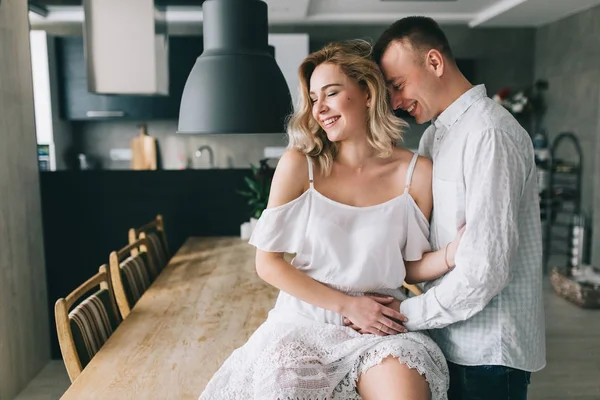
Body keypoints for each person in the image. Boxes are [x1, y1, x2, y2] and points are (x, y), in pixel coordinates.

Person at [198, 39, 464, 400]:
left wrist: (451, 254)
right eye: (312, 98)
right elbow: (268, 263)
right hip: (305, 323)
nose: (319, 108)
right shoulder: (299, 165)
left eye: (331, 93)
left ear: (368, 93)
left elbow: (406, 265)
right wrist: (348, 305)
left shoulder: (416, 173)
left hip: (378, 328)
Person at [360, 16, 546, 400]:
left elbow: (485, 270)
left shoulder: (489, 133)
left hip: (487, 352)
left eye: (397, 85)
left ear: (434, 62)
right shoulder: (434, 137)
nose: (395, 102)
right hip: (445, 338)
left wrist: (405, 315)